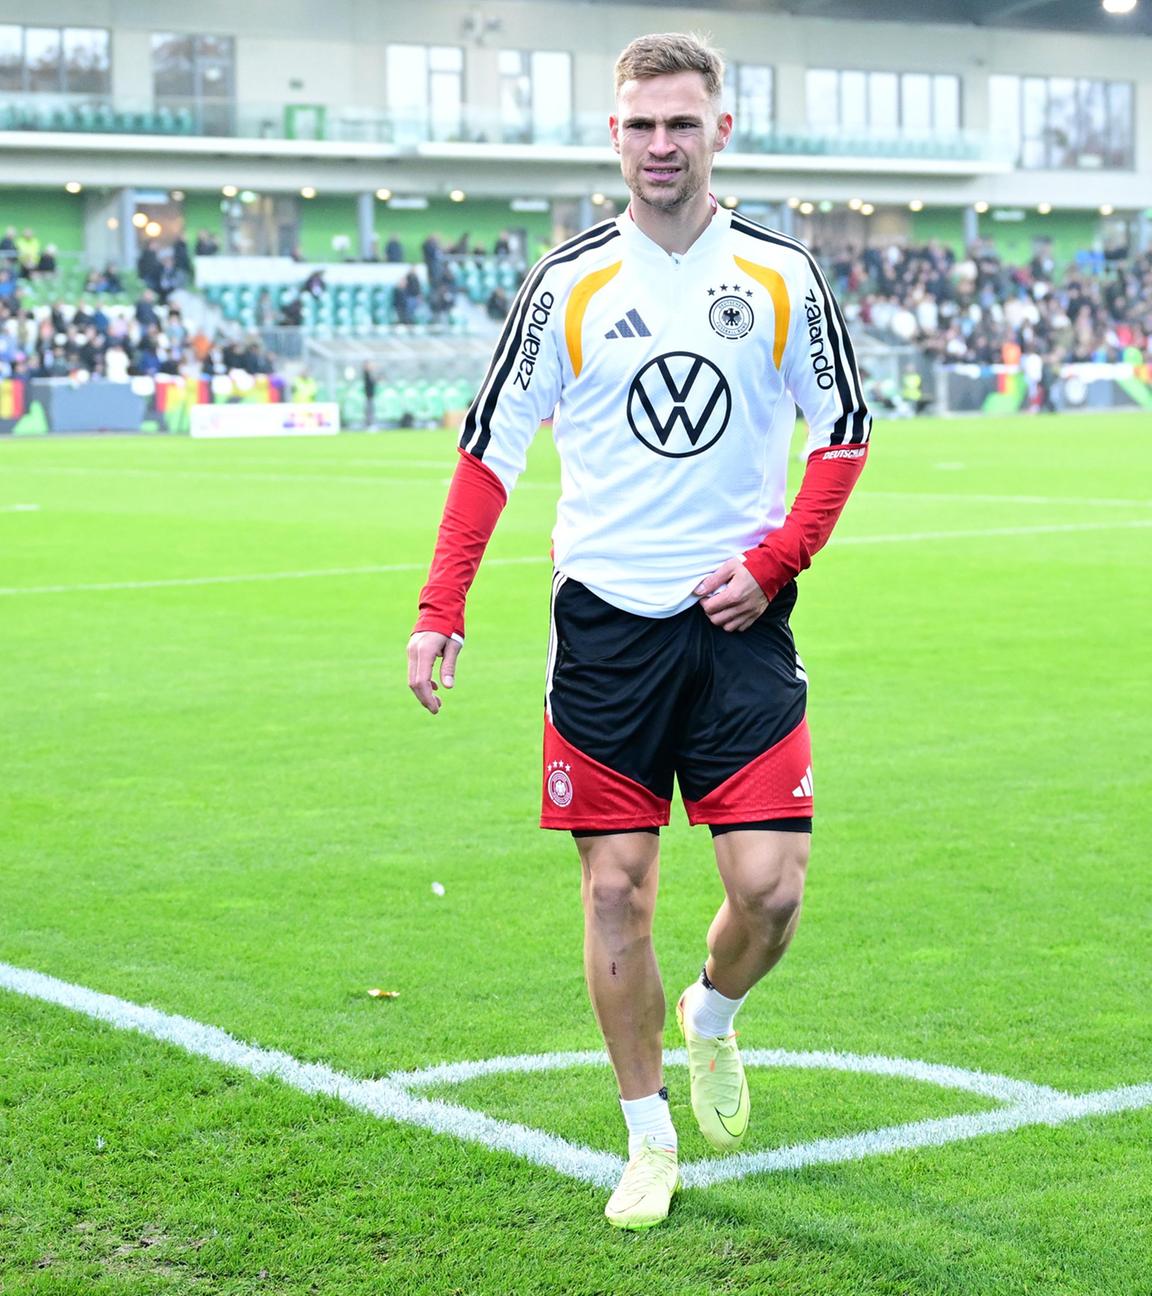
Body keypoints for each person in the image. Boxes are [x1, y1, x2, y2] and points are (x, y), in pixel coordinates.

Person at [406, 31, 870, 1231]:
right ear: (612, 135)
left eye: (681, 122)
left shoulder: (780, 276)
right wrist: (438, 608)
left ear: (722, 129)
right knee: (617, 890)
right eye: (639, 124)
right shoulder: (565, 283)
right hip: (607, 629)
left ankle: (710, 1018)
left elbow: (844, 437)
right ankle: (647, 1136)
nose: (660, 145)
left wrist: (773, 563)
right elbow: (487, 454)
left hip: (742, 624)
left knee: (769, 891)